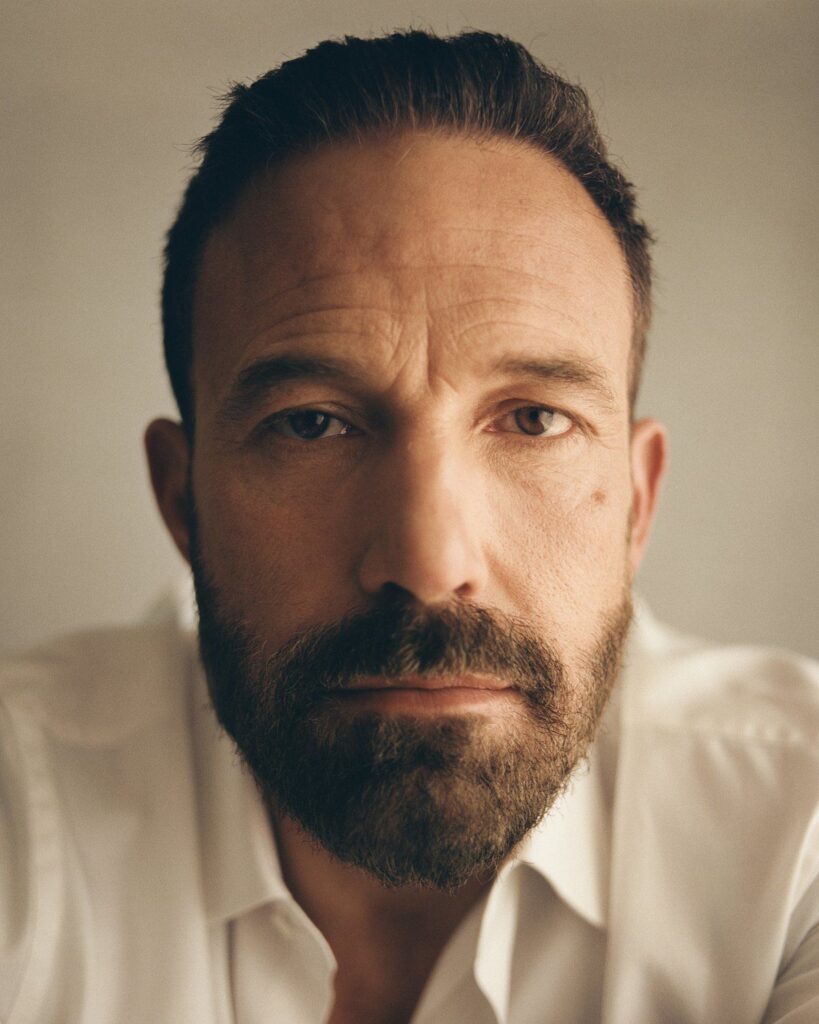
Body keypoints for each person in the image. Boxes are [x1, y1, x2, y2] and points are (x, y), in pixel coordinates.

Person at [1, 29, 817, 1024]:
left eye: (534, 420)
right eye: (311, 423)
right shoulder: (21, 815)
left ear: (637, 503)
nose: (429, 565)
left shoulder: (799, 828)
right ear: (184, 500)